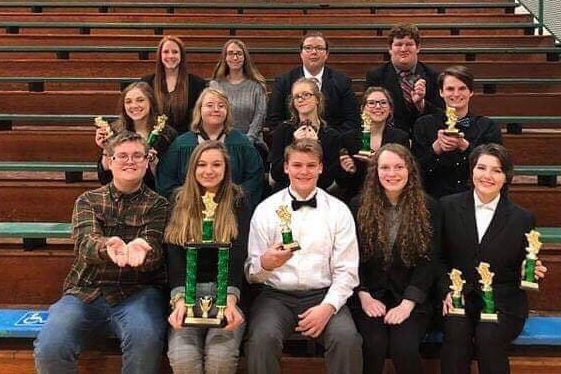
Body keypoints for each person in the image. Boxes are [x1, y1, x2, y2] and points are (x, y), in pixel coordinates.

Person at [34, 132, 171, 374]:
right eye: (122, 156)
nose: (130, 161)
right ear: (109, 161)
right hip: (86, 291)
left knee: (145, 340)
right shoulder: (88, 200)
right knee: (50, 346)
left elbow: (155, 249)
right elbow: (85, 243)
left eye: (137, 155)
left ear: (147, 161)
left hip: (137, 292)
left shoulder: (159, 204)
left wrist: (143, 251)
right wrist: (107, 246)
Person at [244, 138, 362, 374]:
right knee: (261, 340)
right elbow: (251, 273)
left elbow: (347, 271)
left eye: (310, 165)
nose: (304, 171)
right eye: (297, 165)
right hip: (275, 298)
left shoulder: (339, 211)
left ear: (320, 167)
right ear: (286, 167)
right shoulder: (266, 209)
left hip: (323, 295)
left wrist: (328, 307)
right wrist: (265, 264)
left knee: (347, 339)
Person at [436, 143, 547, 374]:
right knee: (456, 334)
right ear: (472, 171)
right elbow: (437, 258)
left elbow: (522, 263)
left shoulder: (522, 218)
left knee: (489, 336)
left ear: (506, 177)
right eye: (481, 168)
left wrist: (530, 268)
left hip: (504, 300)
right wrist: (447, 289)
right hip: (458, 296)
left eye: (496, 170)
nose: (487, 176)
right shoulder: (447, 206)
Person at [350, 143, 440, 374]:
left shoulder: (429, 207)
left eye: (399, 167)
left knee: (404, 349)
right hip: (369, 296)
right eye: (385, 167)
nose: (392, 174)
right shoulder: (358, 206)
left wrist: (408, 303)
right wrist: (364, 295)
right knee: (372, 346)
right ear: (375, 172)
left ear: (410, 169)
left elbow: (429, 261)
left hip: (411, 298)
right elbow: (351, 256)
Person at [165, 141, 250, 374]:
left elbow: (237, 253)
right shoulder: (177, 200)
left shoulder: (238, 200)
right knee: (183, 358)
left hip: (226, 294)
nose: (209, 170)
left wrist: (230, 298)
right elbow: (174, 256)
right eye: (201, 164)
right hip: (187, 294)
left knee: (220, 359)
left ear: (226, 169)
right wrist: (180, 300)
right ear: (192, 169)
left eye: (216, 164)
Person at [157, 87, 263, 206]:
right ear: (199, 109)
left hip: (231, 209)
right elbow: (166, 179)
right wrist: (188, 198)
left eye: (221, 106)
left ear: (227, 111)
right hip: (190, 209)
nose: (216, 109)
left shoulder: (242, 143)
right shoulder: (181, 144)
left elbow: (254, 179)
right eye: (210, 105)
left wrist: (233, 199)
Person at [412, 65, 502, 198]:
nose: (456, 94)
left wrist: (465, 147)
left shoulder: (488, 126)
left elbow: (496, 168)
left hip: (473, 199)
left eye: (462, 88)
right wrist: (435, 149)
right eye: (450, 89)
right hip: (433, 200)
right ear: (441, 92)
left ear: (471, 92)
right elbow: (414, 170)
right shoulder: (424, 124)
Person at [267, 31, 360, 133]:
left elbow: (351, 121)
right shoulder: (283, 82)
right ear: (301, 54)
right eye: (308, 48)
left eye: (319, 48)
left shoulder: (342, 82)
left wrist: (329, 139)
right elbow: (274, 120)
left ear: (327, 54)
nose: (314, 52)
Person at [95, 81, 177, 191]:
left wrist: (154, 165)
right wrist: (106, 149)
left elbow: (171, 179)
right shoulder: (114, 131)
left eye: (140, 100)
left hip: (157, 197)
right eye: (128, 102)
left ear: (151, 102)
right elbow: (104, 178)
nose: (134, 106)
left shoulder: (167, 135)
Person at [365, 23, 444, 137]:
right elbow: (370, 113)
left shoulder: (433, 76)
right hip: (390, 139)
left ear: (418, 48)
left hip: (425, 138)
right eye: (398, 44)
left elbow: (441, 115)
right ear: (390, 49)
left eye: (409, 44)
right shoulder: (376, 76)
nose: (403, 49)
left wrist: (421, 104)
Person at [268, 77, 343, 191]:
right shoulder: (283, 130)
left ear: (317, 99)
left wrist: (317, 145)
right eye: (296, 96)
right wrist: (294, 144)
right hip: (286, 192)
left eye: (306, 94)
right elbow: (276, 174)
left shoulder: (331, 135)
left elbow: (328, 179)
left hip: (319, 194)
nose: (301, 99)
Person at [339, 86, 409, 201]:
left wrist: (375, 163)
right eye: (371, 103)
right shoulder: (348, 138)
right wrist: (348, 170)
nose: (378, 107)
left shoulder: (400, 138)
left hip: (391, 196)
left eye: (383, 103)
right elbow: (342, 182)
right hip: (357, 197)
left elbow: (407, 173)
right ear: (363, 109)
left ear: (390, 109)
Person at [142, 35, 206, 134]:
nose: (170, 56)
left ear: (182, 56)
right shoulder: (147, 82)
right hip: (155, 142)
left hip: (186, 143)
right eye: (166, 52)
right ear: (160, 55)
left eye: (175, 52)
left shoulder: (197, 84)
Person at [209, 39, 267, 146]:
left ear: (245, 58)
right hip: (221, 144)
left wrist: (247, 141)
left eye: (239, 54)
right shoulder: (216, 85)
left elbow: (260, 116)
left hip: (252, 144)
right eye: (230, 54)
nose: (235, 58)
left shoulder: (256, 86)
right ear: (225, 58)